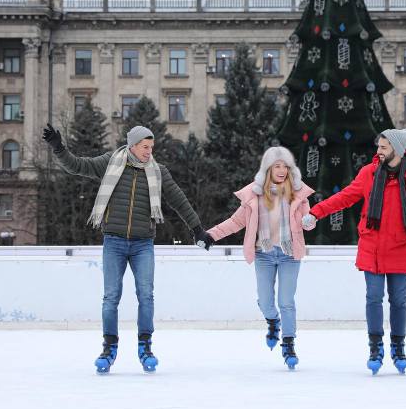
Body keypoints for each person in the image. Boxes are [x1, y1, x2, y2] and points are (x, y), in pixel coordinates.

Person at [43, 122, 214, 374]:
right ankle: (109, 347)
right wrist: (59, 148)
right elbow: (77, 166)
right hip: (113, 241)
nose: (149, 151)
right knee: (111, 297)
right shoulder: (110, 162)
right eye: (145, 147)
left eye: (151, 147)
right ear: (133, 145)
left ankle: (145, 346)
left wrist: (197, 229)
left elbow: (178, 199)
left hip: (143, 243)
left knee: (146, 295)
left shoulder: (158, 172)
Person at [304, 129, 406, 375]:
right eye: (379, 147)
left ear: (396, 149)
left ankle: (398, 347)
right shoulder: (369, 174)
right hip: (371, 246)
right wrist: (316, 212)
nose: (378, 151)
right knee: (373, 298)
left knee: (398, 301)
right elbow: (345, 197)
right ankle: (375, 347)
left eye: (384, 147)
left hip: (400, 246)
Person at [207, 147, 315, 370]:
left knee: (286, 301)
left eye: (285, 166)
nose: (282, 170)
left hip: (289, 254)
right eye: (277, 166)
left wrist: (309, 221)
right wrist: (210, 235)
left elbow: (310, 219)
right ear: (268, 169)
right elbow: (236, 222)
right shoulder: (254, 196)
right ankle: (273, 321)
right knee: (266, 302)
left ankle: (289, 344)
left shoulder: (298, 193)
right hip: (263, 254)